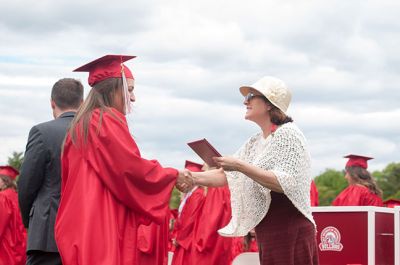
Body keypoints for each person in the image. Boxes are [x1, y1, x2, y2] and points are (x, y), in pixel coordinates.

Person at [54, 55, 193, 265]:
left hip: (81, 224)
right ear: (112, 89)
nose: (133, 98)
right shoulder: (104, 121)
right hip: (101, 225)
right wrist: (173, 175)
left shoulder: (80, 125)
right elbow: (130, 170)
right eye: (129, 89)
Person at [190, 76, 319, 264]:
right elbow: (224, 174)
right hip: (270, 230)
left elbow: (284, 183)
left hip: (290, 230)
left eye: (251, 96)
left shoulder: (289, 134)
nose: (245, 101)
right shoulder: (255, 141)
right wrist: (188, 177)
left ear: (269, 104)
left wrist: (240, 166)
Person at [18, 78, 84, 265]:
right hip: (84, 232)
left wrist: (31, 221)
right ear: (82, 103)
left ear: (52, 103)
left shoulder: (42, 132)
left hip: (47, 233)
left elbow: (27, 185)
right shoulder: (94, 132)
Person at [171, 161, 207, 265]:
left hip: (188, 240)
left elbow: (189, 220)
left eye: (185, 179)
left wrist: (179, 238)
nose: (182, 183)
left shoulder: (197, 194)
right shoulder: (189, 194)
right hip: (184, 238)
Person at [0, 166, 27, 265]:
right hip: (21, 244)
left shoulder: (3, 197)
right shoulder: (17, 196)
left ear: (5, 181)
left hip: (6, 247)